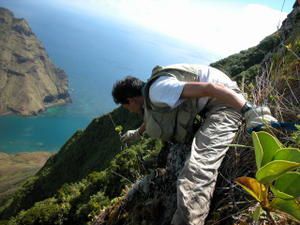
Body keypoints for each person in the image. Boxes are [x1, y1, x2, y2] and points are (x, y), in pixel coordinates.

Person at [111, 64, 277, 225]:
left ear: (130, 100)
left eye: (125, 107)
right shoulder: (153, 90)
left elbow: (209, 88)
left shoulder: (159, 90)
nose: (128, 110)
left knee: (196, 171)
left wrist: (249, 110)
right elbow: (152, 115)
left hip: (226, 103)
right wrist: (137, 133)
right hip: (215, 102)